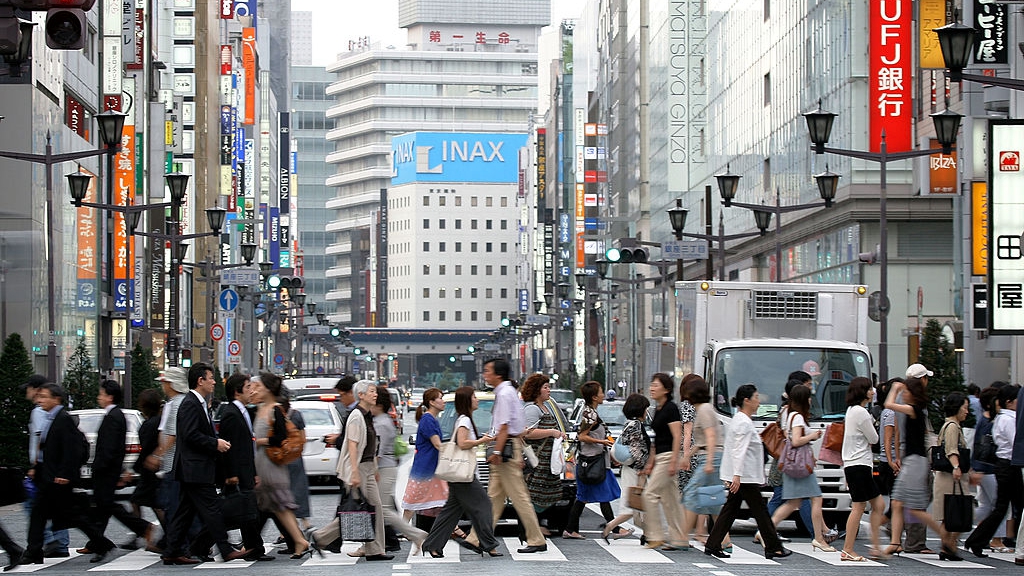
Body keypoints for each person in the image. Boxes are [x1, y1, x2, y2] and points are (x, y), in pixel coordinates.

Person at [161, 363, 248, 565]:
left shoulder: (196, 402)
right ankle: (225, 550)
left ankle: (172, 551)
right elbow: (190, 435)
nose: (214, 381)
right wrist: (214, 443)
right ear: (200, 381)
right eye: (211, 378)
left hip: (192, 468)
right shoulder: (191, 403)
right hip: (195, 468)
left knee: (184, 513)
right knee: (213, 509)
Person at [20, 383, 112, 565]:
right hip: (48, 477)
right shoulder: (50, 418)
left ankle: (101, 543)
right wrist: (36, 468)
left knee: (73, 515)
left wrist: (65, 473)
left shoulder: (63, 419)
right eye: (40, 396)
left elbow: (72, 450)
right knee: (42, 514)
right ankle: (34, 551)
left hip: (59, 479)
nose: (40, 400)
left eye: (45, 397)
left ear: (57, 399)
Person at [463, 359, 547, 554]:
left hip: (507, 448)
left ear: (498, 374)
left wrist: (498, 452)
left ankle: (536, 539)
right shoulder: (507, 392)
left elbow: (504, 426)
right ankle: (477, 538)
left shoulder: (504, 393)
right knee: (493, 498)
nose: (485, 375)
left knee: (519, 497)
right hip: (508, 445)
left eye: (487, 371)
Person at [704, 384, 790, 560]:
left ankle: (713, 544)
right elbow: (739, 450)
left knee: (731, 509)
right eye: (756, 397)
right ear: (747, 400)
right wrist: (736, 475)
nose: (759, 401)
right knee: (760, 511)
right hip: (745, 476)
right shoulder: (743, 422)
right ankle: (773, 547)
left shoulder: (741, 420)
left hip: (742, 474)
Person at [884, 377, 958, 560]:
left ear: (914, 394)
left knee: (915, 509)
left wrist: (894, 389)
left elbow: (888, 404)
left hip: (916, 462)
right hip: (913, 461)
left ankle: (946, 540)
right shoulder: (914, 411)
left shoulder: (914, 410)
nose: (904, 394)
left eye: (906, 391)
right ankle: (895, 543)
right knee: (897, 503)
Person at [422, 387, 500, 558]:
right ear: (467, 401)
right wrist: (482, 440)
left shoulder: (465, 419)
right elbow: (462, 443)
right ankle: (488, 544)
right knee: (484, 505)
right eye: (474, 397)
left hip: (462, 473)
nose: (477, 400)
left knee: (450, 512)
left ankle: (433, 545)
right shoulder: (464, 420)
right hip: (463, 475)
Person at [85, 381, 156, 559]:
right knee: (104, 508)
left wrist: (104, 469)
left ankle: (142, 527)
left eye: (101, 394)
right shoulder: (115, 415)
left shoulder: (114, 416)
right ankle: (96, 542)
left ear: (110, 396)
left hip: (106, 471)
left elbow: (110, 448)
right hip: (109, 470)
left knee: (108, 507)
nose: (99, 397)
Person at [250, 373, 312, 559]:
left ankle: (299, 540)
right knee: (273, 506)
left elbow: (280, 437)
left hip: (271, 466)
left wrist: (259, 441)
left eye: (258, 387)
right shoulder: (259, 408)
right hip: (262, 463)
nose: (255, 390)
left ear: (268, 389)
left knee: (281, 505)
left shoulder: (275, 409)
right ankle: (295, 540)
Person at [213, 373, 273, 562]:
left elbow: (247, 446)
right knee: (236, 512)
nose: (251, 391)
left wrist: (253, 473)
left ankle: (255, 549)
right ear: (237, 391)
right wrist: (230, 474)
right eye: (248, 387)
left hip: (245, 470)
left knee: (247, 511)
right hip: (237, 473)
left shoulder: (243, 411)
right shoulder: (231, 413)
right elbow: (229, 448)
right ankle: (253, 549)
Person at [768, 385, 834, 552]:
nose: (811, 400)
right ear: (803, 400)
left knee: (793, 502)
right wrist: (813, 435)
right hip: (800, 465)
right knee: (816, 498)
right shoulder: (797, 418)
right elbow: (796, 441)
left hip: (794, 463)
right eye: (808, 397)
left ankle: (766, 531)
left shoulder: (790, 415)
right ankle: (819, 538)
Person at [335, 380, 392, 561]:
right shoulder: (356, 416)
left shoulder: (367, 415)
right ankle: (321, 537)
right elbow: (352, 444)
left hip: (367, 467)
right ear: (361, 395)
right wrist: (354, 471)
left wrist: (374, 468)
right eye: (372, 391)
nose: (375, 395)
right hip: (358, 467)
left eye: (375, 392)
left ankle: (375, 549)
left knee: (372, 509)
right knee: (358, 509)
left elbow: (371, 446)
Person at [965, 385, 1021, 558]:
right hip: (1009, 465)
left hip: (1005, 465)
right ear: (1009, 402)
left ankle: (977, 540)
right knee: (1003, 507)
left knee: (1003, 507)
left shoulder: (1002, 418)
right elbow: (1015, 442)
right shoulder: (1008, 419)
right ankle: (977, 540)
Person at [370, 385, 427, 552]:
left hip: (383, 469)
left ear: (379, 405)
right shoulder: (384, 420)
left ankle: (415, 534)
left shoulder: (381, 423)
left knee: (381, 510)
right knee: (379, 509)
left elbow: (377, 452)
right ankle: (373, 544)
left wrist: (372, 471)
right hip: (385, 467)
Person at [19, 374, 69, 559]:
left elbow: (41, 437)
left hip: (42, 467)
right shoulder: (48, 411)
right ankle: (59, 543)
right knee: (54, 506)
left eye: (30, 388)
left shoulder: (39, 411)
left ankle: (50, 541)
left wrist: (35, 465)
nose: (28, 392)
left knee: (34, 506)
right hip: (48, 466)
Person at [563, 381, 620, 539]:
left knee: (585, 497)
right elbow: (582, 436)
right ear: (595, 397)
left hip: (591, 460)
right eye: (601, 392)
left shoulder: (591, 412)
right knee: (603, 495)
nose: (603, 395)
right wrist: (602, 442)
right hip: (592, 461)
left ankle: (570, 529)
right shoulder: (591, 414)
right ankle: (614, 529)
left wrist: (612, 455)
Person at [839, 377, 884, 561]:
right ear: (862, 391)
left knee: (878, 504)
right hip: (859, 464)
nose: (872, 392)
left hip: (856, 464)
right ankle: (848, 549)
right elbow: (874, 439)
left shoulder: (852, 411)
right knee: (859, 507)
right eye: (869, 389)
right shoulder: (861, 413)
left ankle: (875, 546)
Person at [679, 376, 726, 547]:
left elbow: (711, 437)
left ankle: (682, 538)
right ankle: (725, 540)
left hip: (711, 457)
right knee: (713, 501)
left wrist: (708, 463)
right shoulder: (703, 409)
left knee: (691, 493)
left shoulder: (705, 410)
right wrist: (687, 457)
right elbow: (701, 442)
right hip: (710, 456)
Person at [642, 373, 686, 550]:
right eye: (651, 385)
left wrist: (675, 460)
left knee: (649, 494)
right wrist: (651, 461)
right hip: (661, 456)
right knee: (671, 501)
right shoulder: (658, 409)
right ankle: (680, 539)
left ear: (666, 390)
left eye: (656, 385)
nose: (652, 388)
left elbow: (677, 436)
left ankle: (656, 535)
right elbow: (656, 439)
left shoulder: (671, 408)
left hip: (669, 457)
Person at [601, 393, 649, 542]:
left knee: (643, 503)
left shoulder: (630, 423)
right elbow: (636, 450)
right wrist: (642, 469)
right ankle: (610, 527)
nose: (647, 412)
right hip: (635, 470)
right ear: (640, 409)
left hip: (633, 469)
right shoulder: (635, 425)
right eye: (646, 409)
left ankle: (648, 535)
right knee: (632, 506)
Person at [520, 373, 565, 527]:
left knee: (548, 493)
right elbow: (528, 433)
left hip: (547, 460)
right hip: (538, 460)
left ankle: (539, 525)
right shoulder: (532, 409)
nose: (549, 390)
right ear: (536, 390)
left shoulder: (545, 407)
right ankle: (532, 527)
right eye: (545, 387)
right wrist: (552, 432)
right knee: (535, 494)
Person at [930, 392, 970, 554]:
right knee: (953, 513)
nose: (967, 411)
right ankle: (948, 547)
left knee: (951, 514)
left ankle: (947, 547)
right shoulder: (952, 426)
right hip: (950, 477)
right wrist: (956, 467)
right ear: (956, 408)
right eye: (965, 408)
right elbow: (951, 449)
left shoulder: (950, 425)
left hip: (947, 476)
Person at [402, 387, 448, 522]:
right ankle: (404, 528)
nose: (443, 401)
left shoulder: (431, 419)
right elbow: (437, 444)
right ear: (432, 402)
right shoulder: (428, 420)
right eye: (440, 398)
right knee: (414, 501)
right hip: (425, 468)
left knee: (440, 501)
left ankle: (450, 529)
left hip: (431, 467)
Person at [971, 386, 1007, 551]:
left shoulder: (984, 420)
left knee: (986, 504)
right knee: (998, 505)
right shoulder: (990, 422)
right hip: (989, 468)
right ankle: (996, 539)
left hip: (983, 468)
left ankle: (973, 530)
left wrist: (977, 468)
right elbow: (985, 448)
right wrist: (980, 468)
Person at [128, 388, 164, 544]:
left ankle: (143, 531)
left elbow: (145, 449)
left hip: (149, 470)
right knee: (155, 504)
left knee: (152, 504)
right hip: (154, 470)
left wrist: (132, 469)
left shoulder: (148, 425)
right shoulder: (159, 422)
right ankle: (143, 532)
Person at [281, 397, 312, 533]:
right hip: (295, 457)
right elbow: (303, 438)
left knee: (282, 492)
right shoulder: (296, 414)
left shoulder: (273, 416)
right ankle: (305, 522)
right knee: (299, 489)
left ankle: (286, 530)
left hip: (280, 457)